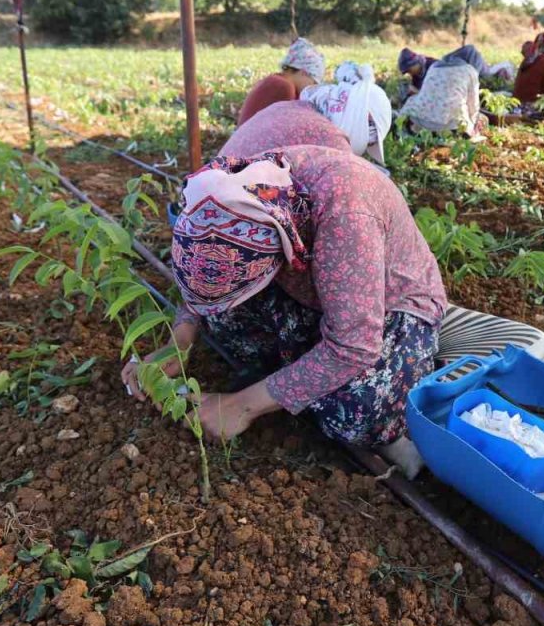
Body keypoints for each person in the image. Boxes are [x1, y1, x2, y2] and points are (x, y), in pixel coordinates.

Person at [122, 147, 447, 450]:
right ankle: (299, 374)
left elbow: (355, 344)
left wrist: (242, 406)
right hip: (320, 294)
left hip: (389, 306)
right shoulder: (232, 189)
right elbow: (201, 279)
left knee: (356, 415)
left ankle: (306, 378)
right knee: (224, 320)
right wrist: (179, 341)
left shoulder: (347, 217)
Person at [223, 61, 393, 165]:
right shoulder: (329, 140)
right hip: (229, 208)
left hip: (216, 194)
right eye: (370, 140)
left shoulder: (300, 109)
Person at [398, 45, 489, 139]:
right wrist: (472, 124)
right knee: (472, 115)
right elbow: (473, 105)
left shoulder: (434, 67)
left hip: (423, 122)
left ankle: (409, 129)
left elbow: (425, 93)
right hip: (454, 126)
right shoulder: (470, 71)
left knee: (415, 101)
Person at [236, 38, 325, 124]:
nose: (312, 87)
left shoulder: (276, 80)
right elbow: (288, 126)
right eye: (314, 82)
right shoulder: (283, 86)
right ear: (304, 72)